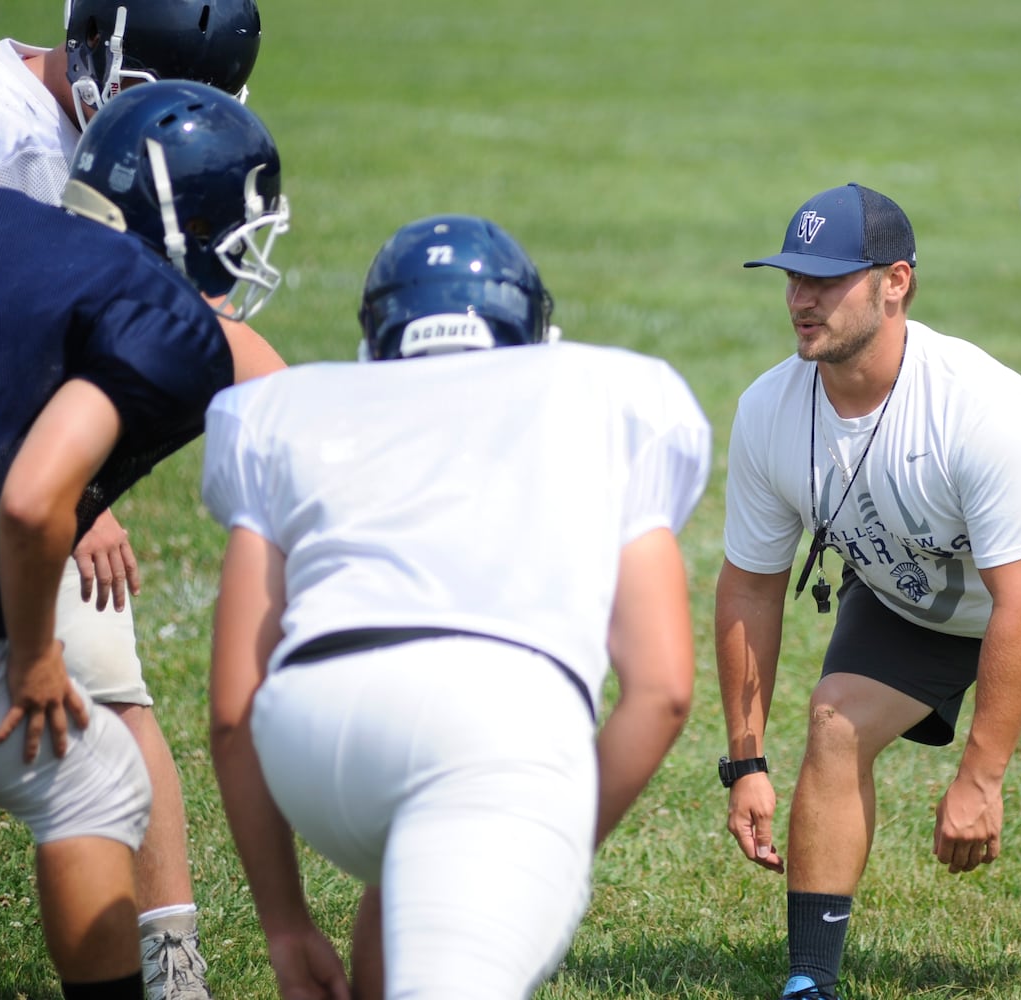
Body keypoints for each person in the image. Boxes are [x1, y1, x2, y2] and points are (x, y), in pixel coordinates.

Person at [715, 182, 1021, 1000]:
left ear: (895, 282)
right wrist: (744, 761)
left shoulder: (977, 404)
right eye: (791, 277)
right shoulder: (769, 411)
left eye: (825, 279)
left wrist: (980, 780)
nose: (800, 300)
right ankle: (809, 982)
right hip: (918, 590)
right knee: (835, 723)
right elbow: (747, 591)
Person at [201, 213, 711, 1000]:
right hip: (497, 726)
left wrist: (285, 922)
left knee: (426, 855)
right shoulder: (615, 395)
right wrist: (555, 842)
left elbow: (234, 708)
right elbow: (664, 687)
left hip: (313, 736)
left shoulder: (284, 409)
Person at [0, 5, 278, 995]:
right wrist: (70, 476)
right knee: (93, 768)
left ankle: (169, 958)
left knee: (113, 698)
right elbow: (38, 497)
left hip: (9, 451)